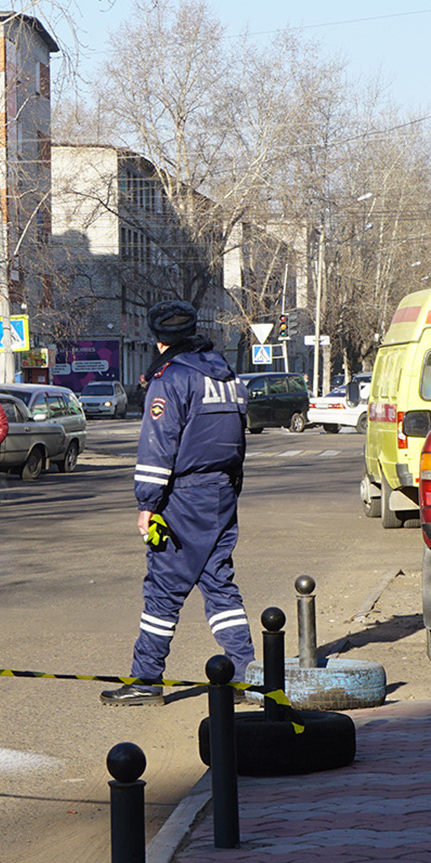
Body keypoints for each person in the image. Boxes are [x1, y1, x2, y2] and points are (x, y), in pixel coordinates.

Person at [103, 300, 253, 706]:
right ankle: (246, 674)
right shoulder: (225, 375)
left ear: (159, 340)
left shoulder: (170, 380)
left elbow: (158, 447)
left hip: (182, 498)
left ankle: (146, 679)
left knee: (163, 589)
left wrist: (147, 504)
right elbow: (237, 438)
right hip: (221, 493)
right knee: (220, 586)